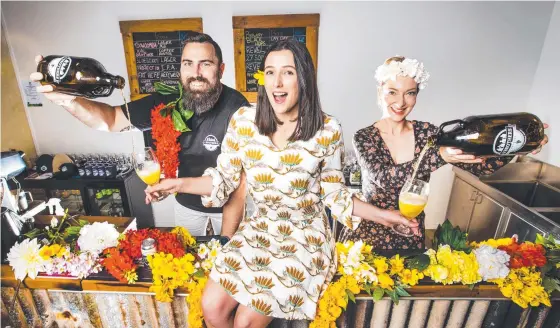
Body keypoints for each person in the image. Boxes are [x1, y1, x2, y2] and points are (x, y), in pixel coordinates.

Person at [144, 39, 418, 325]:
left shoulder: (327, 129)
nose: (277, 82)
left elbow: (335, 195)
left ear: (303, 77)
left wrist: (385, 216)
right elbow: (223, 180)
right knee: (211, 306)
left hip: (304, 237)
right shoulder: (243, 121)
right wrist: (175, 184)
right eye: (270, 72)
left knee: (246, 322)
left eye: (288, 72)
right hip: (259, 228)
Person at [30, 33, 249, 237]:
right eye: (188, 64)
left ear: (221, 70)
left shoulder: (238, 108)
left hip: (229, 208)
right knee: (189, 265)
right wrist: (69, 100)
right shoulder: (165, 102)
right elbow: (110, 120)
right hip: (185, 205)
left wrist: (226, 240)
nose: (196, 72)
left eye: (206, 64)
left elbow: (239, 181)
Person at [339, 56, 549, 249]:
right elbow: (384, 178)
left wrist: (516, 146)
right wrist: (439, 156)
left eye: (409, 93)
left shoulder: (428, 133)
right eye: (392, 92)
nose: (401, 102)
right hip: (371, 232)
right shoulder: (364, 136)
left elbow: (480, 167)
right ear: (380, 92)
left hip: (410, 232)